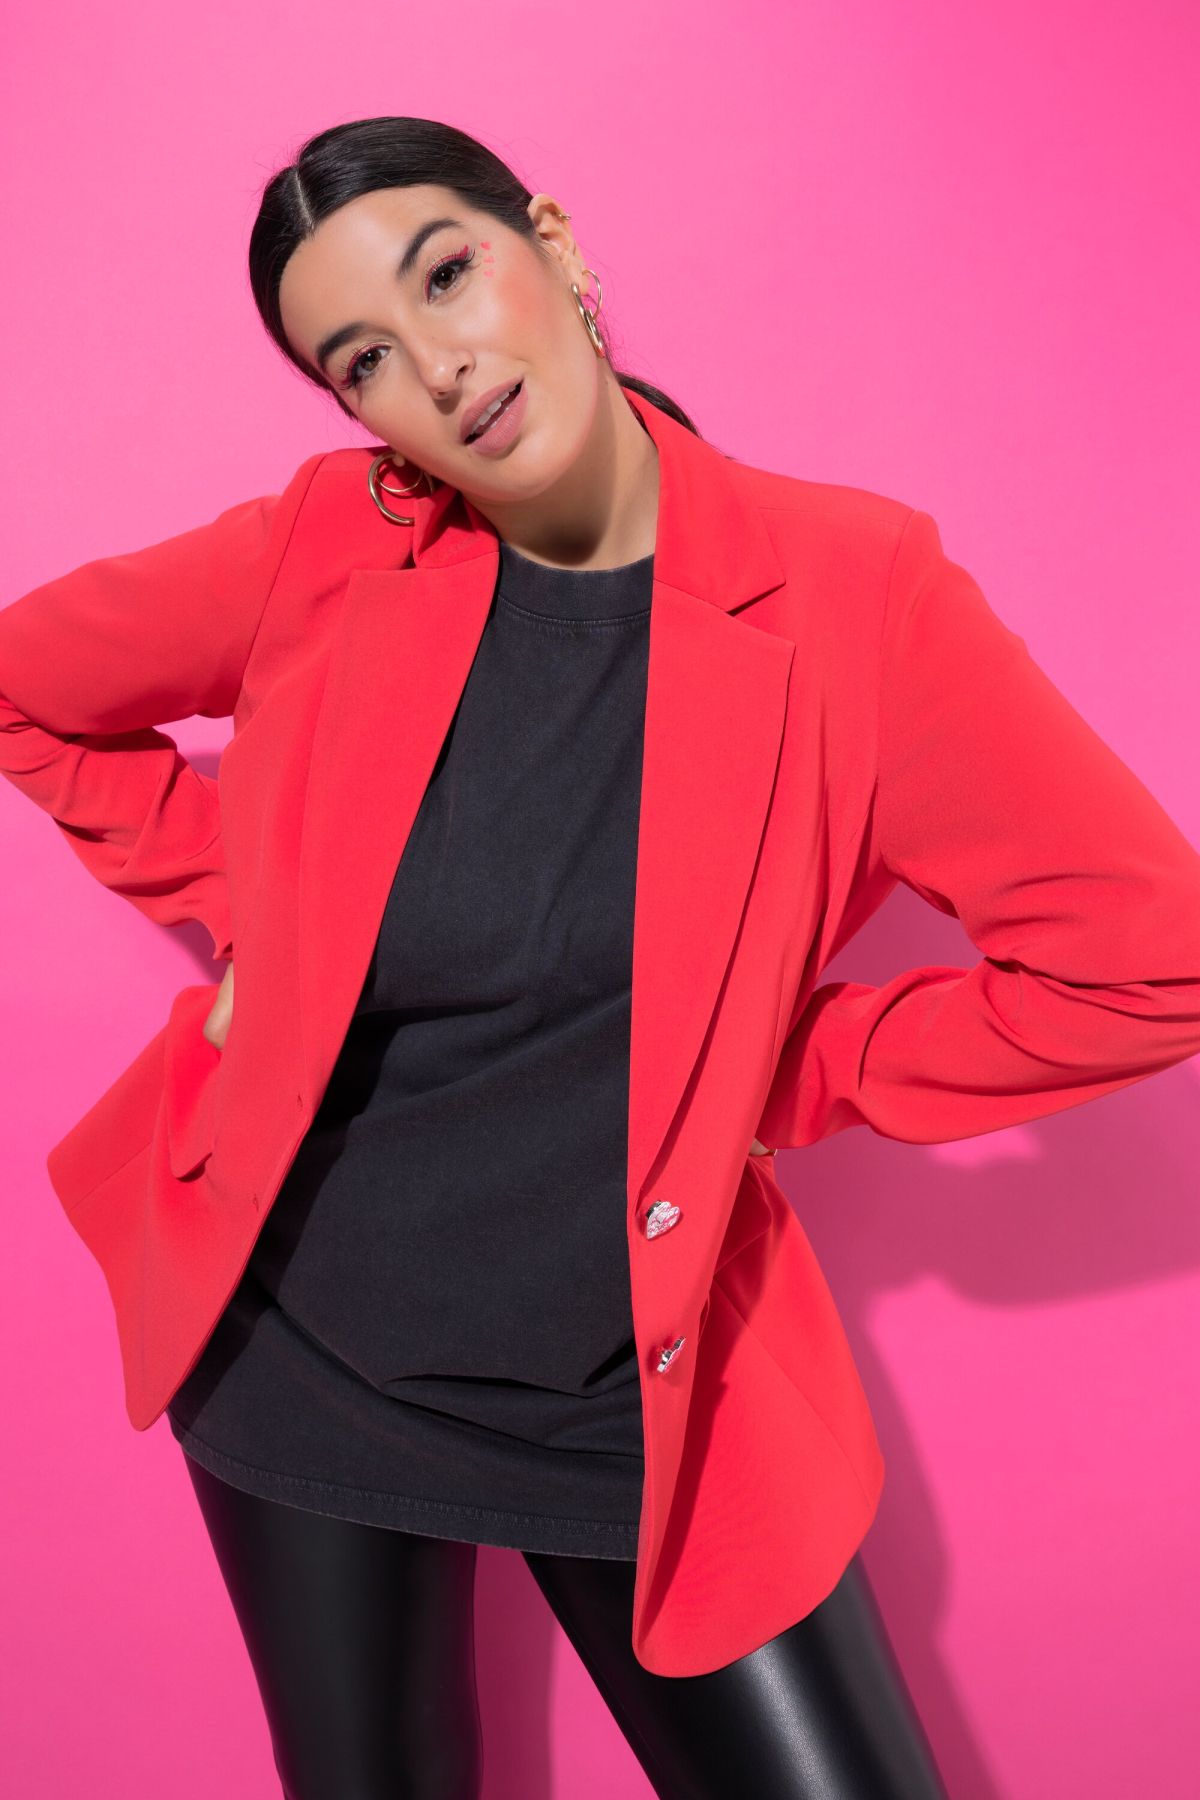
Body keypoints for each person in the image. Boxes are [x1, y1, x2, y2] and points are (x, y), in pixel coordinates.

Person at [6, 114, 1199, 1798]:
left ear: (550, 243)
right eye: (366, 360)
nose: (439, 367)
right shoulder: (328, 546)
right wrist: (253, 910)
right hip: (301, 1345)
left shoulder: (852, 590)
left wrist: (796, 1064)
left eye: (446, 274)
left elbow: (1149, 964)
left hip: (635, 1390)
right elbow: (28, 689)